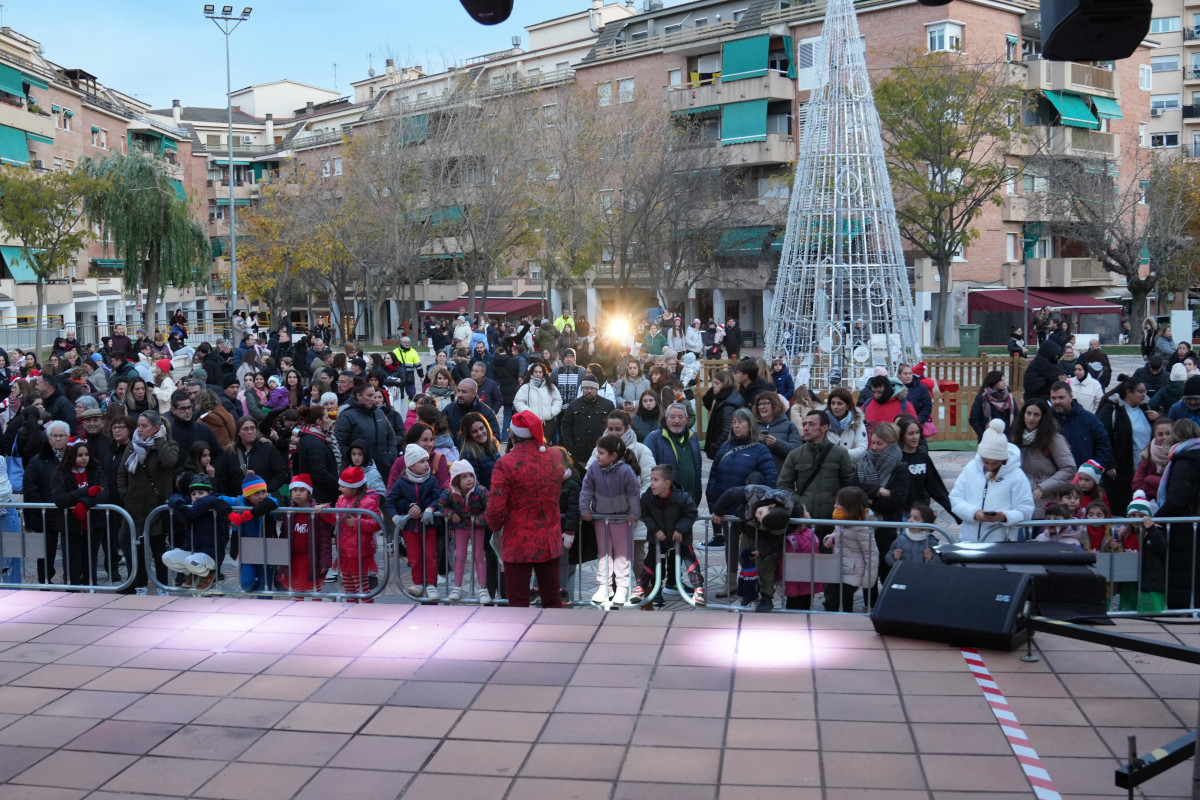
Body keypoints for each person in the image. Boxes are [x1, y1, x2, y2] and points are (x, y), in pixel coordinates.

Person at [484, 410, 565, 608]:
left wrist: (494, 526)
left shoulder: (505, 464)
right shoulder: (555, 456)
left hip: (517, 540)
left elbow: (496, 507)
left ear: (512, 434)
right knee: (552, 598)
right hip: (549, 538)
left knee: (518, 601)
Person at [119, 410, 181, 593]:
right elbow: (122, 473)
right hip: (134, 507)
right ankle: (140, 585)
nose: (140, 429)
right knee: (137, 549)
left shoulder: (170, 444)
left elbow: (168, 461)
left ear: (157, 427)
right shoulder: (133, 445)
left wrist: (161, 440)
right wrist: (125, 495)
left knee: (159, 549)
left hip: (157, 508)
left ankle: (162, 585)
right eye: (139, 425)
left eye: (144, 426)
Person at [711, 483, 793, 612]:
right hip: (748, 530)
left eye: (760, 518)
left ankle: (766, 597)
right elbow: (730, 494)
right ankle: (750, 592)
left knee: (766, 565)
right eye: (760, 513)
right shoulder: (753, 493)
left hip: (767, 537)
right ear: (771, 505)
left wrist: (762, 551)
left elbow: (775, 541)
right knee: (744, 558)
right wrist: (718, 511)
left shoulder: (780, 523)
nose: (757, 516)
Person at [949, 419, 1035, 542]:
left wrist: (1004, 517)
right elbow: (955, 499)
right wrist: (973, 512)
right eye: (986, 462)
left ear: (1004, 460)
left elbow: (1026, 509)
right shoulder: (970, 468)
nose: (989, 466)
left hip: (1002, 544)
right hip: (970, 540)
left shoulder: (1017, 476)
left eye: (995, 463)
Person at [630, 464, 703, 605]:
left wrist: (680, 529)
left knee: (690, 560)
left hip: (680, 538)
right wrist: (656, 530)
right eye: (651, 479)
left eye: (655, 480)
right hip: (657, 537)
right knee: (651, 562)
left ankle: (698, 589)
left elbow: (691, 513)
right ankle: (643, 587)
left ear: (667, 483)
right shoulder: (647, 497)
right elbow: (645, 514)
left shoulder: (681, 497)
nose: (651, 483)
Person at [385, 443, 442, 601]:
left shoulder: (431, 480)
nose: (426, 464)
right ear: (411, 465)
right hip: (410, 528)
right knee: (414, 557)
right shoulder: (402, 482)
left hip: (428, 526)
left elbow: (439, 497)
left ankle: (431, 585)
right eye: (422, 461)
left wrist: (429, 508)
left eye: (427, 461)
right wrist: (396, 518)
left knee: (430, 555)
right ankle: (418, 584)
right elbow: (390, 501)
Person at [1097, 376, 1155, 518]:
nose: (1144, 395)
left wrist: (1158, 419)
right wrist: (1110, 463)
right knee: (1122, 511)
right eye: (1140, 391)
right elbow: (1103, 438)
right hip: (1121, 472)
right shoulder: (1112, 409)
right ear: (1128, 392)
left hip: (1144, 471)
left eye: (1145, 391)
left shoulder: (1146, 409)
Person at [52, 441, 108, 586]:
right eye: (79, 455)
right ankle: (72, 593)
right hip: (70, 526)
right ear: (71, 457)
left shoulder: (96, 471)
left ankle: (91, 591)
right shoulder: (60, 474)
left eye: (86, 454)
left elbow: (103, 493)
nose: (84, 458)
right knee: (72, 565)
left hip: (94, 525)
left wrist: (85, 502)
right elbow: (60, 499)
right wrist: (85, 492)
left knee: (90, 562)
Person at [324, 466, 383, 601]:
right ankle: (352, 612)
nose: (339, 489)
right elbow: (334, 518)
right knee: (349, 589)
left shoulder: (369, 501)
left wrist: (356, 523)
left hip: (359, 553)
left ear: (354, 487)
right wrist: (325, 510)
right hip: (345, 551)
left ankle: (367, 614)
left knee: (362, 589)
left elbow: (377, 524)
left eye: (343, 486)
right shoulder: (341, 499)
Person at [435, 460, 490, 604]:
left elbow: (490, 506)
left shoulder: (481, 491)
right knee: (460, 555)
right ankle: (457, 587)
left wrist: (481, 519)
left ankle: (483, 588)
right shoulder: (450, 493)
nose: (469, 479)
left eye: (470, 475)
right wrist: (450, 514)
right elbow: (441, 505)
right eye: (464, 477)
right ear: (456, 480)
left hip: (476, 527)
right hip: (460, 527)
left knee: (478, 555)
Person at [162, 475, 229, 591]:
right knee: (167, 557)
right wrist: (183, 506)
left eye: (201, 492)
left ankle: (209, 573)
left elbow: (213, 498)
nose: (197, 496)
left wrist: (194, 508)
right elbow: (173, 498)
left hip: (211, 553)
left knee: (191, 561)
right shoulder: (190, 504)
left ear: (210, 492)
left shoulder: (216, 501)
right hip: (193, 550)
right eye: (193, 494)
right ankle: (196, 573)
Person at [819, 486, 878, 613]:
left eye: (839, 504)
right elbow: (835, 533)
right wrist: (830, 538)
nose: (835, 506)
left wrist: (868, 580)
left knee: (839, 602)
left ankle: (845, 624)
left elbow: (872, 554)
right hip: (839, 568)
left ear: (850, 506)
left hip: (853, 572)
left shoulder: (862, 529)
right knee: (842, 602)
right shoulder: (841, 519)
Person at [1008, 398, 1076, 505]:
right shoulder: (1016, 436)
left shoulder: (1053, 438)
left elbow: (1069, 468)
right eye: (1028, 413)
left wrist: (1043, 488)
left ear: (1043, 417)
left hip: (1045, 498)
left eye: (1036, 415)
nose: (1031, 418)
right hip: (1021, 495)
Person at [334, 383, 397, 477]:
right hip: (358, 471)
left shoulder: (379, 412)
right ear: (358, 396)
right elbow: (339, 444)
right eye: (369, 396)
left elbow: (390, 436)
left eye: (374, 396)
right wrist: (356, 459)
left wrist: (391, 455)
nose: (373, 399)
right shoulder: (347, 416)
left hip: (383, 467)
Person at [643, 403, 702, 501]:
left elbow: (697, 468)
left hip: (690, 500)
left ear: (686, 419)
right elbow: (646, 472)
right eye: (672, 417)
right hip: (665, 503)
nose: (676, 421)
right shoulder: (653, 439)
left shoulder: (692, 438)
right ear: (666, 419)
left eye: (680, 417)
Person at [1049, 381, 1112, 468]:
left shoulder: (1090, 419)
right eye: (1053, 398)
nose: (1057, 401)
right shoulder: (1045, 420)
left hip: (1082, 477)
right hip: (1053, 477)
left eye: (1061, 398)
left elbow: (1103, 445)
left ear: (1071, 397)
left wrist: (1093, 468)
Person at [560, 378, 614, 468]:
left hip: (601, 454)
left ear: (597, 390)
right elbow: (566, 426)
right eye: (586, 388)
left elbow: (612, 427)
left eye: (592, 388)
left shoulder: (608, 405)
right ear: (582, 389)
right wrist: (571, 447)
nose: (589, 391)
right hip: (579, 455)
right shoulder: (574, 405)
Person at [752, 391, 803, 473]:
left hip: (780, 473)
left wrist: (777, 444)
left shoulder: (789, 426)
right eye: (759, 404)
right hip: (757, 473)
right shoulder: (753, 426)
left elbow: (797, 452)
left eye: (765, 403)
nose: (761, 407)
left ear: (775, 405)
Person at [702, 370, 744, 461]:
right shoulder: (723, 397)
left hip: (725, 451)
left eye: (717, 383)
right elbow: (706, 401)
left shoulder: (728, 405)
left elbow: (726, 431)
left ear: (726, 384)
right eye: (713, 383)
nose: (713, 386)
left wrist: (715, 447)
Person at [444, 378, 499, 448]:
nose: (460, 395)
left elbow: (495, 438)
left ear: (474, 394)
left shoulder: (486, 413)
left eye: (464, 392)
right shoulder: (449, 409)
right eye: (458, 391)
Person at [886, 503, 939, 568]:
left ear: (926, 523)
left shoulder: (931, 541)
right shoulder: (901, 539)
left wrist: (931, 558)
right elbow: (888, 557)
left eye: (916, 519)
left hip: (924, 575)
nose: (910, 520)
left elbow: (939, 562)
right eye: (910, 517)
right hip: (905, 575)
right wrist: (893, 556)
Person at [969, 370, 1017, 440]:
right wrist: (982, 434)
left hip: (1006, 436)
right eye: (1001, 381)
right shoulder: (982, 397)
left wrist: (1011, 432)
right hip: (988, 436)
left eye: (1004, 380)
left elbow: (1016, 414)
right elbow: (974, 418)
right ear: (994, 382)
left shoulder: (1008, 397)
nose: (1004, 383)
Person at [1133, 417, 1174, 497]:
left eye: (1168, 433)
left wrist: (1151, 480)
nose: (1164, 437)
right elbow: (1136, 484)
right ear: (1154, 435)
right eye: (1160, 434)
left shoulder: (1180, 453)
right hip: (1154, 502)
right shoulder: (1147, 454)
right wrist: (1161, 494)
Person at [1023, 336, 1063, 403]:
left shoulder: (1044, 361)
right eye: (1055, 354)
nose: (1056, 357)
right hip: (1035, 398)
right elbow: (1054, 378)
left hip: (1037, 395)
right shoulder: (1042, 362)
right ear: (1050, 352)